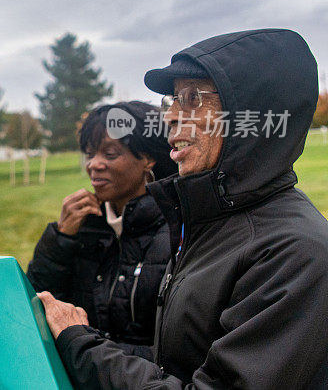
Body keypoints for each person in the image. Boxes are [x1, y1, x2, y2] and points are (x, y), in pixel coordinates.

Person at [39, 28, 328, 389]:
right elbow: (175, 362)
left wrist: (81, 344)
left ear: (250, 115)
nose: (171, 117)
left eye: (192, 98)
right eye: (172, 100)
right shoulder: (206, 221)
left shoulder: (295, 253)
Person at [27, 102, 178, 360]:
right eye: (89, 154)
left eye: (109, 154)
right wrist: (61, 238)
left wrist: (84, 347)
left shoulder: (178, 229)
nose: (93, 165)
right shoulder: (87, 224)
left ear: (148, 158)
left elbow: (177, 353)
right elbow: (40, 305)